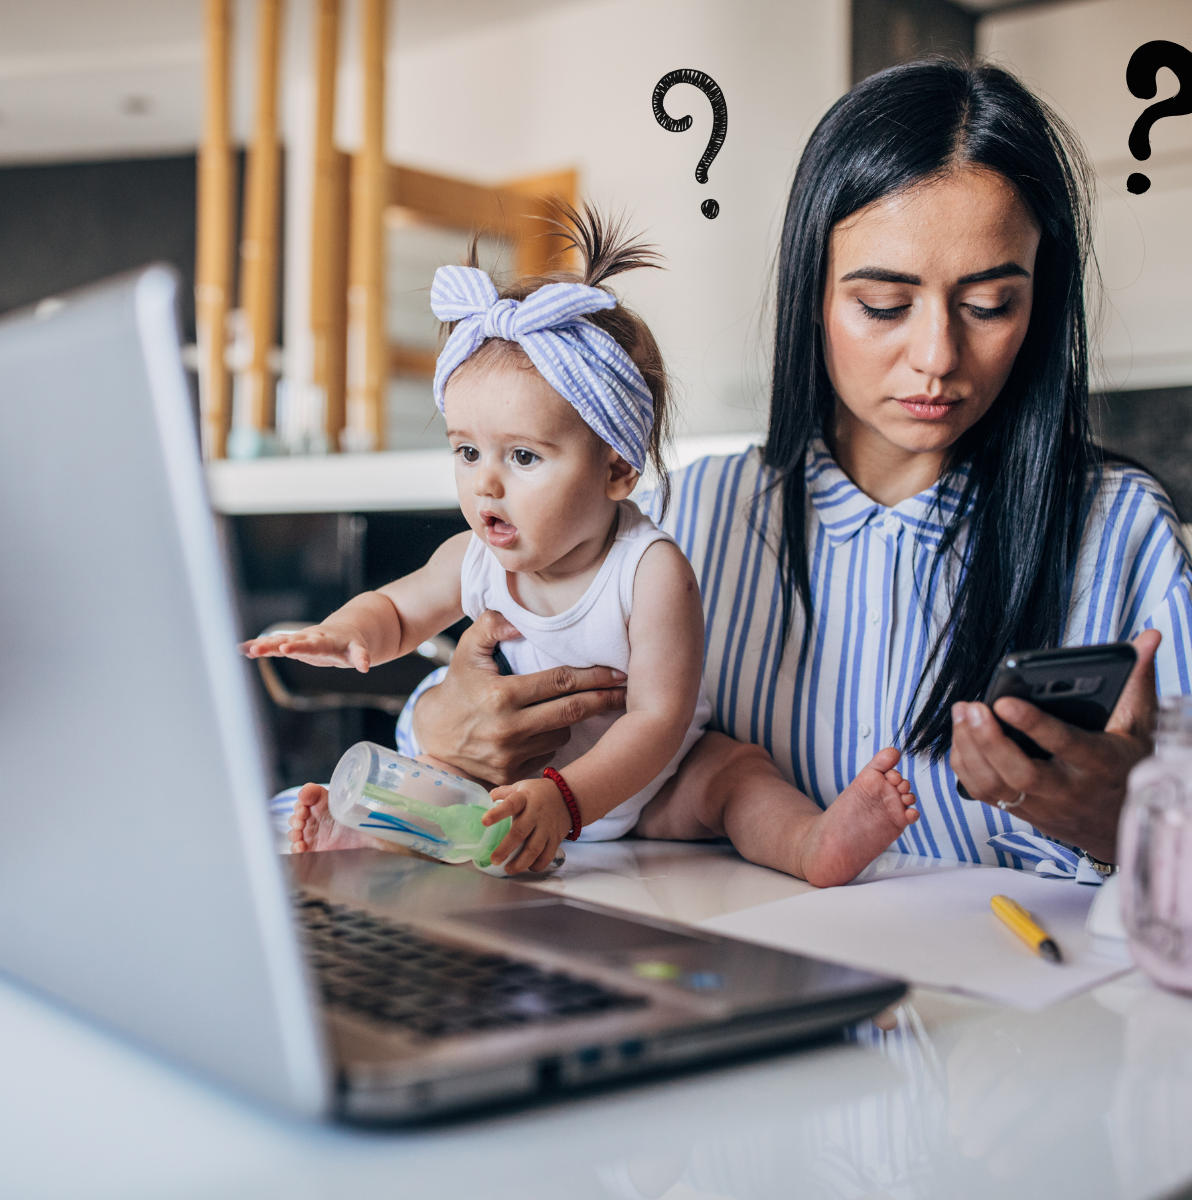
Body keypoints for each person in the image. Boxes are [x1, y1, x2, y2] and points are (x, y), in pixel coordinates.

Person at [395, 60, 1192, 880]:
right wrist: (439, 725)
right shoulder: (687, 516)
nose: (937, 357)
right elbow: (462, 746)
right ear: (812, 293)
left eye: (990, 305)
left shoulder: (1119, 530)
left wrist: (1121, 823)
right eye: (884, 307)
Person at [245, 206, 917, 875]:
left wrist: (566, 801)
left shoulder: (650, 571)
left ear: (617, 469)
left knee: (735, 775)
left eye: (525, 458)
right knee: (435, 783)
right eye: (468, 452)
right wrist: (344, 632)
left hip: (652, 783)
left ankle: (812, 844)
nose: (487, 486)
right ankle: (362, 832)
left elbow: (657, 721)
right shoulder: (474, 558)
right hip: (520, 781)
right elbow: (395, 611)